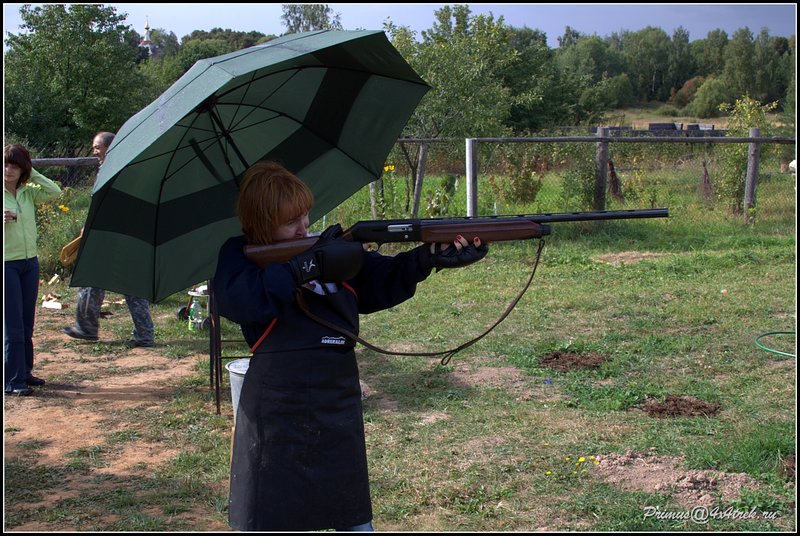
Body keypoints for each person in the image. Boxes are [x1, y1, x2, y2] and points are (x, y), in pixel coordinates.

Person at [213, 161, 488, 531]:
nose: (303, 228)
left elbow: (379, 278)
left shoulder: (326, 249)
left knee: (354, 521)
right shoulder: (239, 255)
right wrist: (298, 269)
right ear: (261, 225)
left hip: (336, 405)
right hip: (277, 412)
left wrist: (425, 259)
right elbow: (241, 301)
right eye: (290, 222)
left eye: (305, 216)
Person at [62, 132, 154, 347]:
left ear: (110, 147)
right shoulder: (117, 168)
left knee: (96, 278)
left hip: (111, 235)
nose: (94, 151)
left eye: (97, 147)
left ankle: (89, 328)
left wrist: (93, 226)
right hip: (116, 234)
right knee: (109, 281)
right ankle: (141, 333)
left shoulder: (117, 170)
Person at [4, 144, 62, 396]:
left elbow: (55, 191)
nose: (8, 170)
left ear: (23, 170)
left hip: (29, 263)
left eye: (14, 166)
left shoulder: (28, 193)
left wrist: (32, 172)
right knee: (12, 324)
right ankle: (12, 381)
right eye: (5, 165)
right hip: (7, 264)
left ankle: (25, 372)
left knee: (27, 320)